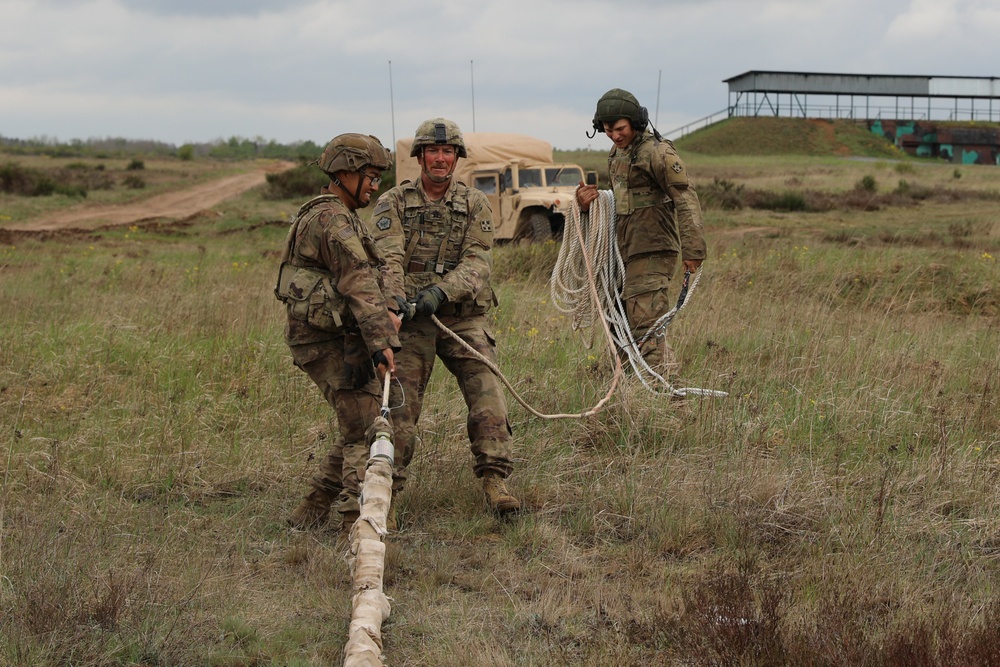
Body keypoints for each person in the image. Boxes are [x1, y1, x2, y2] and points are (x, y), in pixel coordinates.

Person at [368, 118, 521, 517]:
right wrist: (397, 305)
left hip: (461, 317)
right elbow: (389, 258)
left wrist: (438, 293)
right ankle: (388, 494)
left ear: (457, 157)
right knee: (398, 404)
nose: (440, 158)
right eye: (432, 151)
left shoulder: (474, 204)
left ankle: (495, 478)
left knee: (487, 390)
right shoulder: (393, 202)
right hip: (411, 321)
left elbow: (477, 263)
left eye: (447, 151)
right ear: (420, 156)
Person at [277, 133, 403, 532]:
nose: (374, 185)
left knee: (356, 420)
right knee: (367, 430)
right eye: (369, 176)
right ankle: (357, 527)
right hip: (323, 342)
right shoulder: (333, 220)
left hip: (331, 338)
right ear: (344, 172)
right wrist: (383, 343)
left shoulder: (331, 213)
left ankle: (312, 509)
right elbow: (359, 282)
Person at [576, 88, 707, 380]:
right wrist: (589, 204)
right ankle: (628, 394)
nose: (614, 136)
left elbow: (685, 198)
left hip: (653, 251)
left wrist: (694, 250)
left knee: (646, 327)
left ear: (636, 121)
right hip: (624, 254)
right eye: (607, 130)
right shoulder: (616, 153)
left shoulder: (658, 152)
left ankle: (668, 398)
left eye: (620, 129)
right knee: (618, 323)